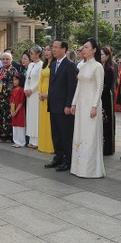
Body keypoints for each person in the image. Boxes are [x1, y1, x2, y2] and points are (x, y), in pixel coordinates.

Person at [70, 39, 105, 178]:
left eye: (86, 47)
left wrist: (94, 106)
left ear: (94, 50)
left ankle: (91, 170)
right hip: (81, 104)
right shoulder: (82, 66)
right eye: (82, 47)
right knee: (80, 133)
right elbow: (79, 86)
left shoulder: (97, 66)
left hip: (91, 103)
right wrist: (73, 103)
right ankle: (78, 167)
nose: (83, 50)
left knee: (90, 135)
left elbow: (99, 87)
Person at [46, 40, 77, 172]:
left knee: (65, 134)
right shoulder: (53, 65)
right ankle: (58, 156)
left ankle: (67, 159)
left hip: (64, 106)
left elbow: (72, 87)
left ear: (64, 49)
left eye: (56, 48)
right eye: (52, 47)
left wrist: (68, 105)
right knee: (56, 133)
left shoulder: (69, 65)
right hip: (53, 105)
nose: (53, 50)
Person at [0, 52, 18, 143]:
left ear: (11, 60)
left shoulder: (13, 70)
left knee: (8, 117)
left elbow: (16, 85)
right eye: (3, 59)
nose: (5, 61)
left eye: (7, 59)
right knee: (0, 116)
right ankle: (1, 134)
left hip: (9, 98)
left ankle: (9, 136)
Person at [23, 46, 43, 149]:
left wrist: (32, 90)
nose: (30, 55)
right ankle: (31, 139)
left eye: (31, 53)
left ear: (37, 54)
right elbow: (27, 78)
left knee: (35, 116)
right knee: (30, 116)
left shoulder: (41, 65)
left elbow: (39, 80)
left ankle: (37, 141)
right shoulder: (30, 65)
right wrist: (26, 89)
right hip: (28, 93)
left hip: (35, 93)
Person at [37, 46, 54, 154]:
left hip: (49, 94)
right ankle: (43, 144)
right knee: (43, 119)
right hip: (42, 94)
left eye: (49, 50)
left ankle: (50, 145)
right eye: (45, 50)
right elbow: (40, 79)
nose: (46, 52)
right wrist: (39, 92)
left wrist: (47, 94)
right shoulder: (44, 65)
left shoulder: (54, 65)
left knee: (49, 120)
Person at [100, 46, 116, 157]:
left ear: (107, 56)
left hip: (106, 97)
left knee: (107, 122)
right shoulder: (97, 67)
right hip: (97, 97)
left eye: (102, 54)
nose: (100, 56)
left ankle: (108, 148)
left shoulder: (109, 69)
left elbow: (108, 85)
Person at [10, 74, 26, 148]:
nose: (14, 81)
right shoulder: (13, 90)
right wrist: (11, 110)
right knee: (15, 125)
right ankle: (16, 140)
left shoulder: (21, 90)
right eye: (13, 80)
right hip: (13, 109)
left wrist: (16, 111)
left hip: (19, 110)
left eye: (16, 80)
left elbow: (21, 102)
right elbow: (11, 101)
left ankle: (21, 141)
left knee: (20, 125)